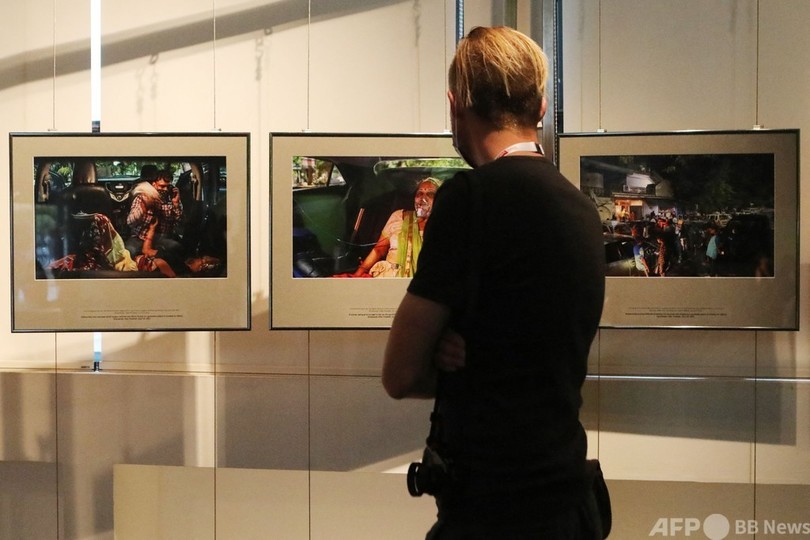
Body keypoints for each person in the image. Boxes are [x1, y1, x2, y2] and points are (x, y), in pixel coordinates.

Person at [383, 26, 606, 539]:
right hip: (568, 503)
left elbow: (400, 374)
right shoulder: (581, 209)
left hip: (491, 510)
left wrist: (455, 359)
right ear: (542, 106)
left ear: (455, 104)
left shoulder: (470, 198)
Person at [353, 178, 441, 277]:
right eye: (419, 194)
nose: (422, 198)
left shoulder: (444, 225)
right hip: (390, 278)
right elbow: (379, 250)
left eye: (430, 194)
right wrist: (358, 274)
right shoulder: (398, 216)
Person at [125, 167, 185, 274]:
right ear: (153, 184)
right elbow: (130, 222)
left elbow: (179, 222)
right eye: (162, 186)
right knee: (129, 251)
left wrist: (176, 204)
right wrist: (144, 207)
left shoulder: (171, 198)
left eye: (167, 186)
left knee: (176, 248)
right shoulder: (143, 197)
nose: (165, 189)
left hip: (162, 237)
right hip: (140, 237)